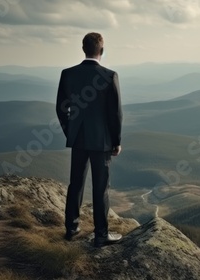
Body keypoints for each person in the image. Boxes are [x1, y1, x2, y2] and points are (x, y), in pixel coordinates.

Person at [56, 32, 123, 248]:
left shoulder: (68, 74)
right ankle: (101, 235)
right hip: (102, 141)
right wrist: (116, 141)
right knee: (101, 187)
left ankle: (71, 228)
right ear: (101, 51)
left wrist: (71, 132)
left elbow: (61, 109)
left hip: (78, 139)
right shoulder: (109, 75)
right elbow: (116, 114)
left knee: (75, 183)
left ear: (83, 49)